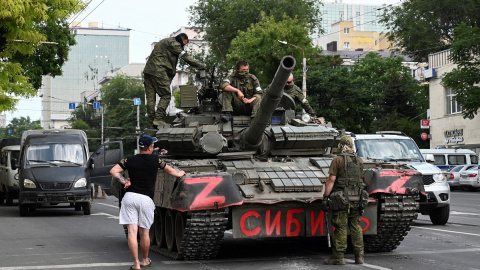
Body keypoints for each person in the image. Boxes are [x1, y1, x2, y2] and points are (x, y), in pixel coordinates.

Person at [110, 134, 186, 270]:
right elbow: (169, 170)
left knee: (132, 233)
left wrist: (123, 180)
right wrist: (179, 174)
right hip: (146, 199)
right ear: (150, 147)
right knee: (144, 233)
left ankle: (136, 264)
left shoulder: (129, 160)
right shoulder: (156, 160)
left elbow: (114, 171)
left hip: (130, 197)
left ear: (140, 147)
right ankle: (145, 260)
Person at [143, 33, 205, 128]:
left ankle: (152, 122)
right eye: (185, 43)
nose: (184, 46)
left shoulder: (164, 42)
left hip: (148, 71)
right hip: (159, 70)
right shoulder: (175, 43)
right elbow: (185, 57)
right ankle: (158, 119)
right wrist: (200, 66)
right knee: (166, 95)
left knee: (151, 98)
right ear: (183, 39)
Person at [322, 135, 366, 265]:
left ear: (340, 146)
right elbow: (362, 179)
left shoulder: (338, 160)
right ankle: (359, 257)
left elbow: (332, 179)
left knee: (340, 226)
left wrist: (325, 197)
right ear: (352, 145)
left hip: (341, 199)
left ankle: (338, 257)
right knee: (356, 226)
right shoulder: (359, 160)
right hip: (357, 198)